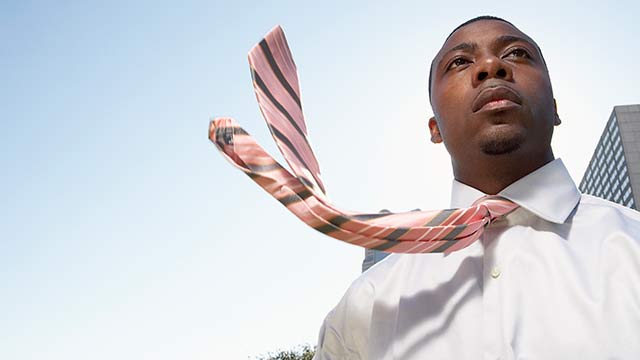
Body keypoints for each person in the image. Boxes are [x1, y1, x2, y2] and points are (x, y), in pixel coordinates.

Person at [312, 16, 640, 359]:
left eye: (517, 54)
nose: (490, 66)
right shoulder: (366, 305)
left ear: (555, 109)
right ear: (435, 128)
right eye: (459, 62)